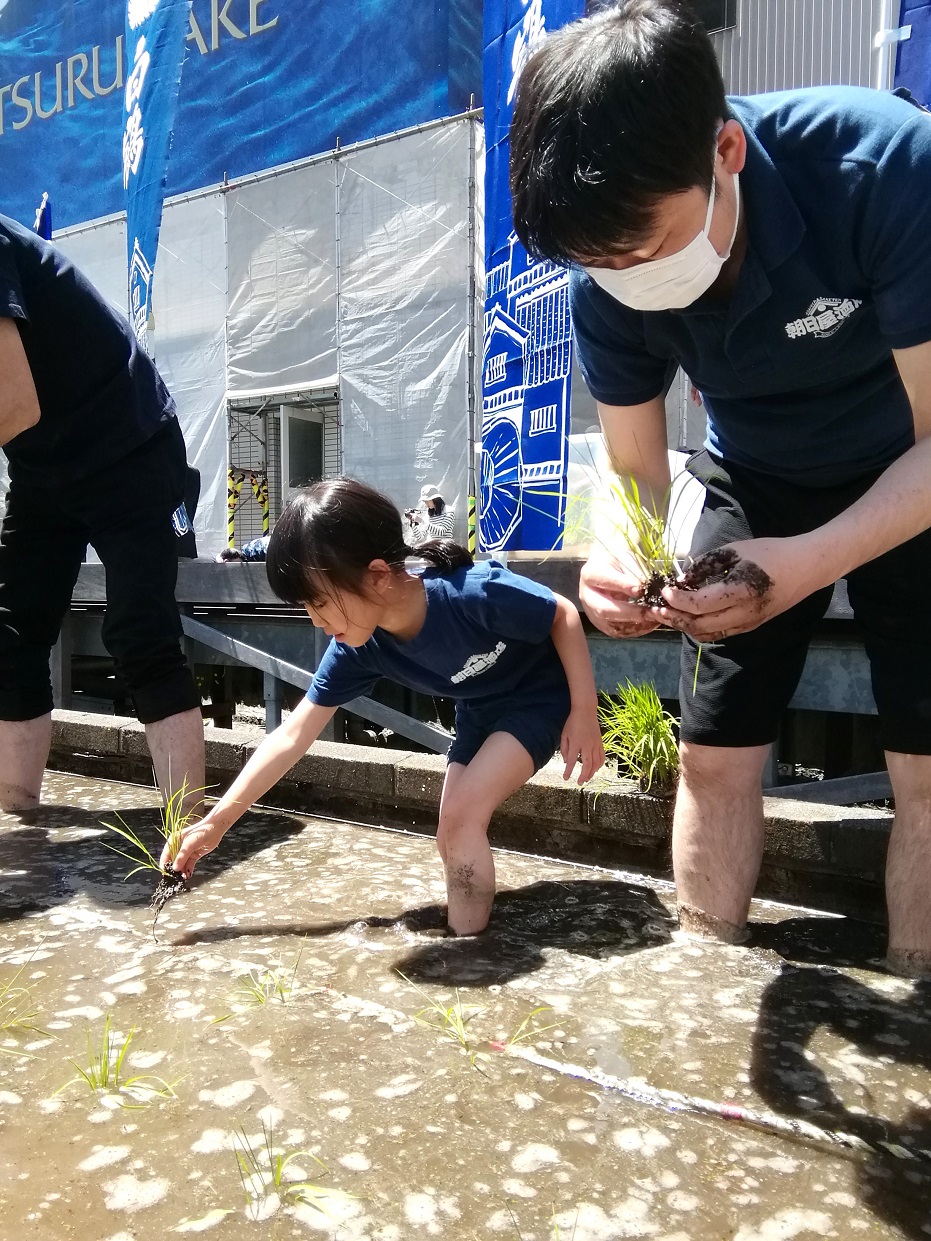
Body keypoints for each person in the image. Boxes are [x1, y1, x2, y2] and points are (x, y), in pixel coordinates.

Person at [509, 0, 931, 976]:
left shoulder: (882, 169)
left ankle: (913, 983)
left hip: (905, 466)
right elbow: (635, 472)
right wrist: (621, 556)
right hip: (755, 470)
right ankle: (702, 973)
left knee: (922, 764)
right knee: (713, 745)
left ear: (725, 151)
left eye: (644, 249)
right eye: (598, 265)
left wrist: (810, 561)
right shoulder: (603, 278)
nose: (626, 278)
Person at [165, 477, 605, 935]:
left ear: (376, 574)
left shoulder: (470, 592)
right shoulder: (360, 646)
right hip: (478, 709)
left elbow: (561, 613)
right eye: (306, 609)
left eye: (319, 603)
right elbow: (292, 735)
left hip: (540, 697)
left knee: (463, 819)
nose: (316, 622)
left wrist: (583, 712)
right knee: (449, 833)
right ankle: (468, 939)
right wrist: (215, 824)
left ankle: (467, 952)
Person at [0, 212, 204, 818]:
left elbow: (13, 401)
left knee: (140, 633)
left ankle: (185, 831)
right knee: (10, 636)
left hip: (128, 446)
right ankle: (18, 818)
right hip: (43, 466)